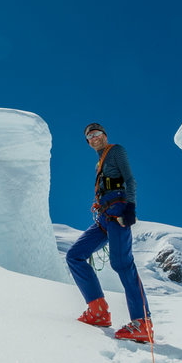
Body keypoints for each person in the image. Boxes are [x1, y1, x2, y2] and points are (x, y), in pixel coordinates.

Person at [66, 122, 153, 343]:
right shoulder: (99, 164)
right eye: (89, 136)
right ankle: (98, 311)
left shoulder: (116, 151)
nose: (94, 138)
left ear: (105, 135)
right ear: (88, 142)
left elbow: (130, 179)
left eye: (97, 134)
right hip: (104, 216)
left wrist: (130, 207)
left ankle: (142, 322)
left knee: (122, 263)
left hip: (118, 212)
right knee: (74, 255)